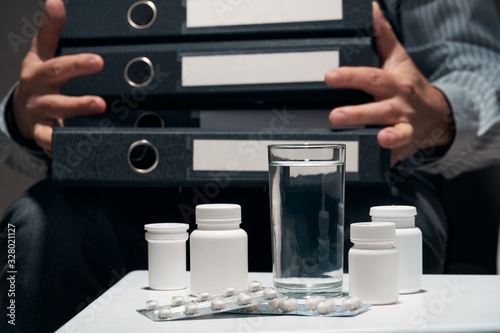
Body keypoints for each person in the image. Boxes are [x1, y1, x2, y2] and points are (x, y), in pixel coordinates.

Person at [1, 0, 499, 331]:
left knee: (370, 267)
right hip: (135, 191)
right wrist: (23, 116)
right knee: (31, 234)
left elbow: (477, 63)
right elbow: (77, 67)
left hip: (357, 181)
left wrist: (442, 114)